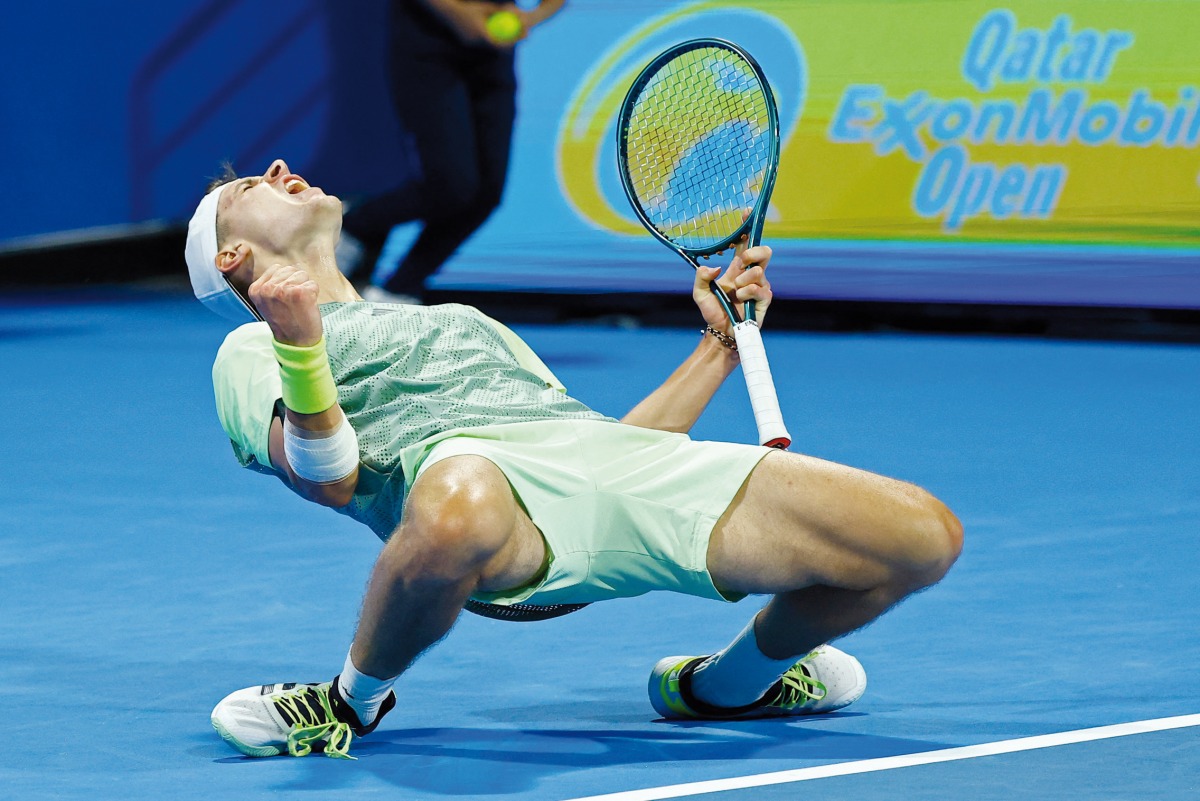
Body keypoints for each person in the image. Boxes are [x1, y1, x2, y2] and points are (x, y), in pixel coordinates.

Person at [186, 159, 963, 760]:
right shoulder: (251, 351)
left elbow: (599, 443)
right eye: (256, 184)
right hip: (482, 516)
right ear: (231, 255)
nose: (285, 172)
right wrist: (300, 347)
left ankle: (728, 688)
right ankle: (349, 702)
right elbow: (330, 479)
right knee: (460, 494)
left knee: (921, 536)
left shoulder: (458, 320)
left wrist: (721, 342)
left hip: (598, 479)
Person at [340, 0, 565, 304]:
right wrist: (460, 12)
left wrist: (530, 17)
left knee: (486, 196)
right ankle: (352, 224)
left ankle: (397, 291)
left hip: (492, 56)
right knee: (451, 185)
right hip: (428, 48)